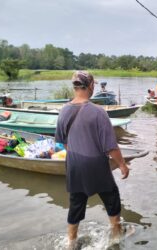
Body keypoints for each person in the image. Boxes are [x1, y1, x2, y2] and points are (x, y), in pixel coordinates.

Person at [55, 71, 132, 249]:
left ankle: (71, 242)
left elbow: (63, 142)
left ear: (74, 87)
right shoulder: (98, 112)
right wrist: (122, 165)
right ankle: (115, 234)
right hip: (96, 164)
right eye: (93, 85)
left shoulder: (64, 110)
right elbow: (111, 147)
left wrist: (76, 154)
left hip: (74, 164)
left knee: (76, 202)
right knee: (111, 197)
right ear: (90, 86)